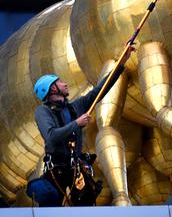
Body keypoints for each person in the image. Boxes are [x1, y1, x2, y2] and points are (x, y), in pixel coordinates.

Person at [27, 64, 125, 206]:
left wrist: (120, 65)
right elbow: (51, 135)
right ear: (53, 88)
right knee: (49, 203)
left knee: (86, 201)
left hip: (76, 168)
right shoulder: (43, 112)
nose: (65, 84)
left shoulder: (75, 107)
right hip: (57, 169)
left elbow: (99, 91)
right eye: (60, 82)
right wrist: (77, 123)